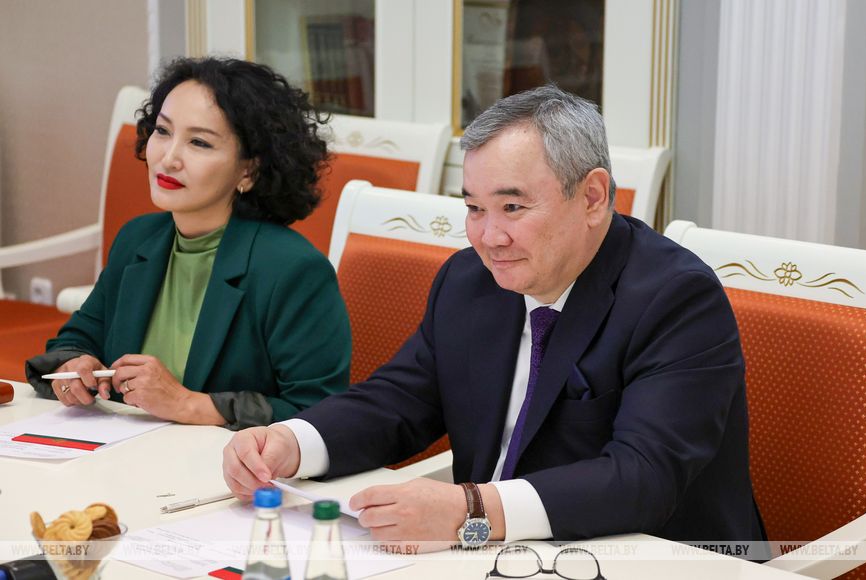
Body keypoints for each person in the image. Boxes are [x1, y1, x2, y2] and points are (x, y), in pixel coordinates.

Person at [223, 85, 766, 547]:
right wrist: (292, 442)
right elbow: (400, 399)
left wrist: (470, 511)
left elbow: (643, 478)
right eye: (474, 208)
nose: (489, 237)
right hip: (492, 555)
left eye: (512, 208)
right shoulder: (470, 280)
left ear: (593, 196)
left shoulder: (676, 299)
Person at [25, 57, 351, 430]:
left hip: (227, 462)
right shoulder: (138, 238)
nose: (168, 158)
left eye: (199, 142)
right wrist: (75, 364)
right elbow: (80, 336)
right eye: (162, 131)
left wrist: (189, 404)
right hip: (123, 450)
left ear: (249, 170)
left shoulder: (293, 269)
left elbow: (321, 413)